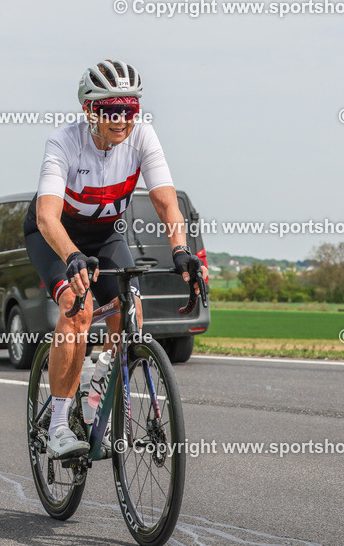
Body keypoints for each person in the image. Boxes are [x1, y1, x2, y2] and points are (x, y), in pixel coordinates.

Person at [23, 59, 207, 459]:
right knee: (78, 310)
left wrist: (180, 250)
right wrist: (71, 256)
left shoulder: (143, 137)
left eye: (130, 109)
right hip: (56, 235)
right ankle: (57, 427)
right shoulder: (64, 142)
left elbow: (166, 203)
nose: (122, 119)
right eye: (111, 110)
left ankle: (96, 387)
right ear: (90, 110)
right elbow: (46, 216)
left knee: (131, 311)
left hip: (106, 236)